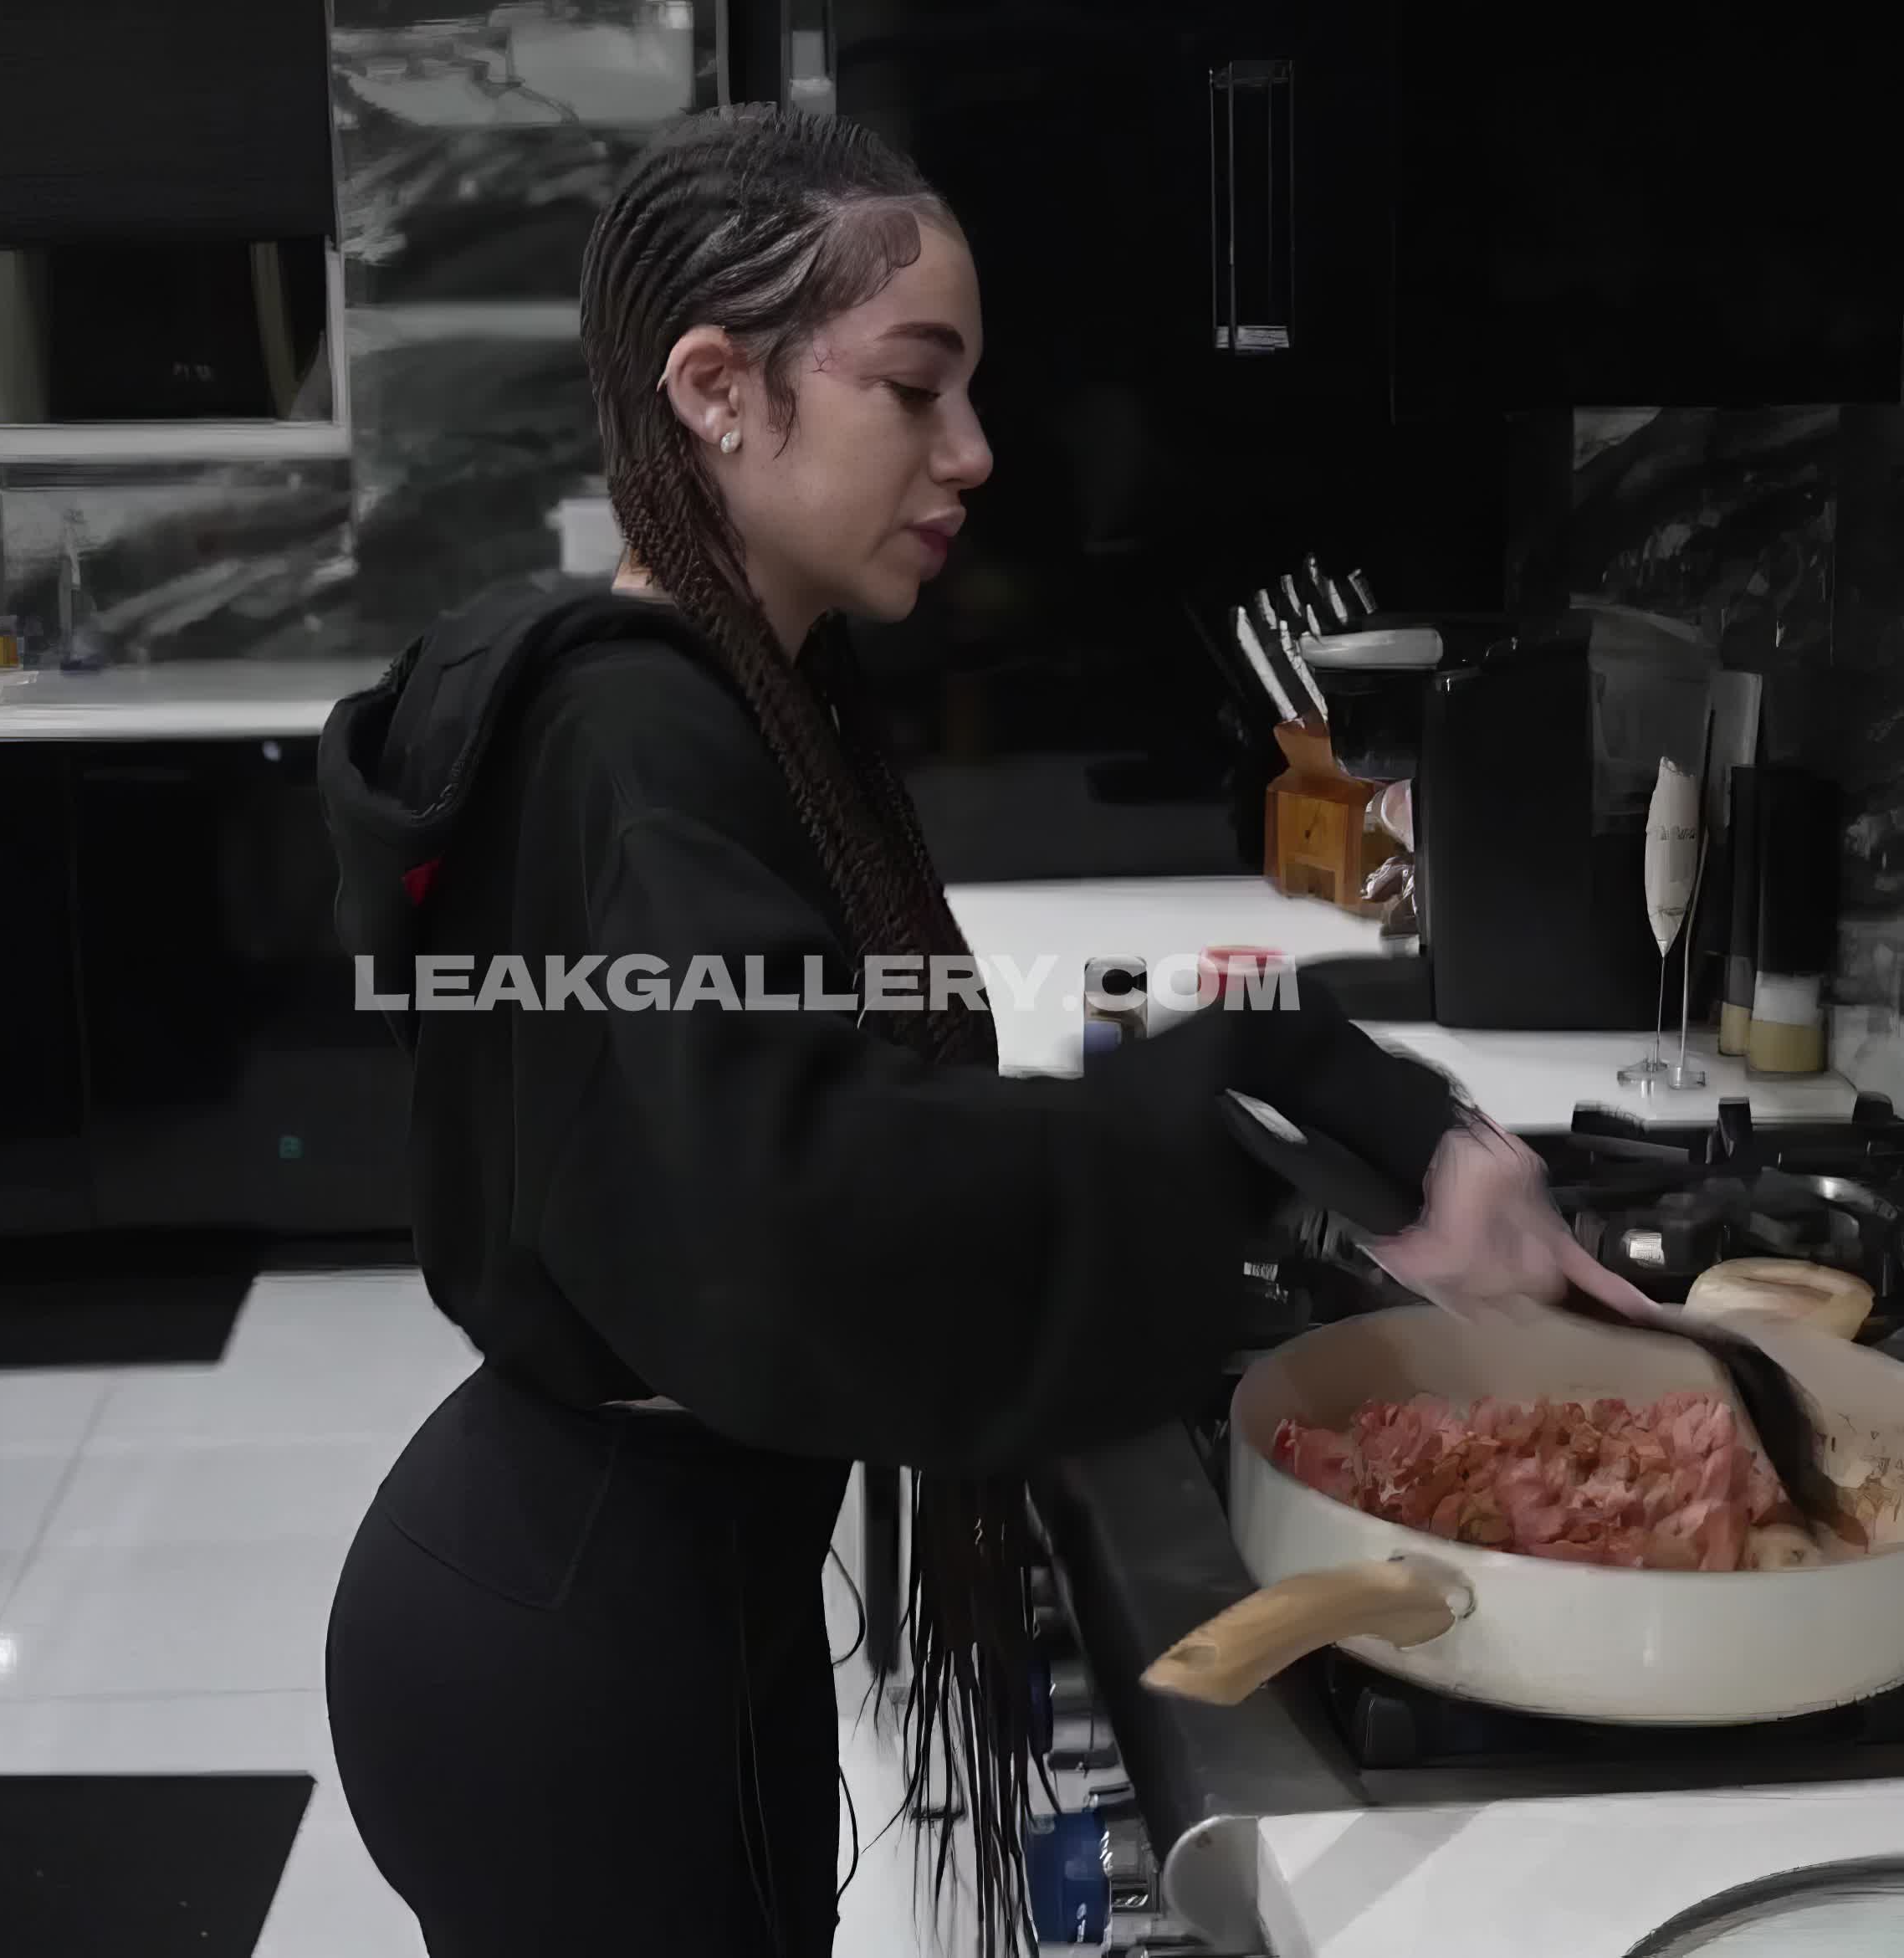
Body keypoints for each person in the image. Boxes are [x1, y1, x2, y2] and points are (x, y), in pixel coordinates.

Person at [316, 104, 1640, 1958]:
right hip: (579, 1658)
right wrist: (1251, 1106)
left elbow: (822, 1099)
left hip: (631, 1592)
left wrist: (1340, 1089)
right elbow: (814, 1195)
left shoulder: (730, 695)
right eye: (912, 388)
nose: (972, 452)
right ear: (717, 389)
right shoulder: (636, 740)